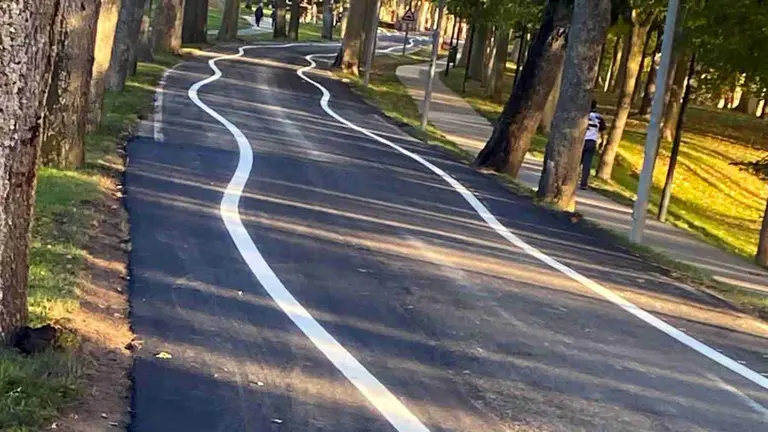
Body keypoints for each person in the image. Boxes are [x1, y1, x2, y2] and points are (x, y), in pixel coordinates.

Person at [581, 100, 606, 190]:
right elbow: (602, 132)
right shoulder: (599, 118)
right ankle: (583, 183)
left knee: (576, 163)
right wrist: (602, 142)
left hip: (581, 141)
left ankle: (569, 181)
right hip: (592, 141)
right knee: (587, 164)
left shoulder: (582, 115)